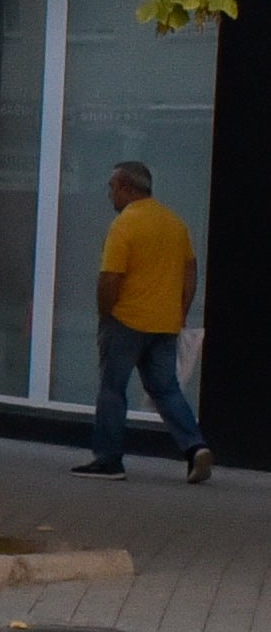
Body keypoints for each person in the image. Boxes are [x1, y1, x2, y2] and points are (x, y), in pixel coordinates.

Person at [74, 160, 215, 483]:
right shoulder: (174, 223)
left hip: (126, 320)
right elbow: (190, 271)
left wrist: (105, 313)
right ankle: (195, 447)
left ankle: (108, 460)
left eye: (112, 188)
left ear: (125, 186)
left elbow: (110, 277)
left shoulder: (125, 225)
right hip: (164, 324)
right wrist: (180, 310)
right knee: (166, 389)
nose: (110, 195)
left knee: (112, 389)